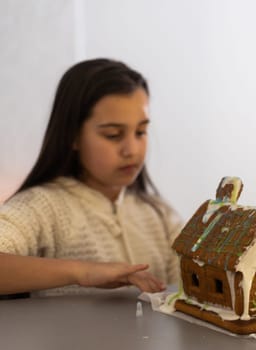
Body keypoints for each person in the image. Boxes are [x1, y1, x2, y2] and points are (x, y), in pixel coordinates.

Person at [0, 58, 183, 296]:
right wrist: (82, 271)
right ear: (72, 136)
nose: (132, 149)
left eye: (140, 132)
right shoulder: (42, 208)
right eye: (113, 135)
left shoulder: (160, 216)